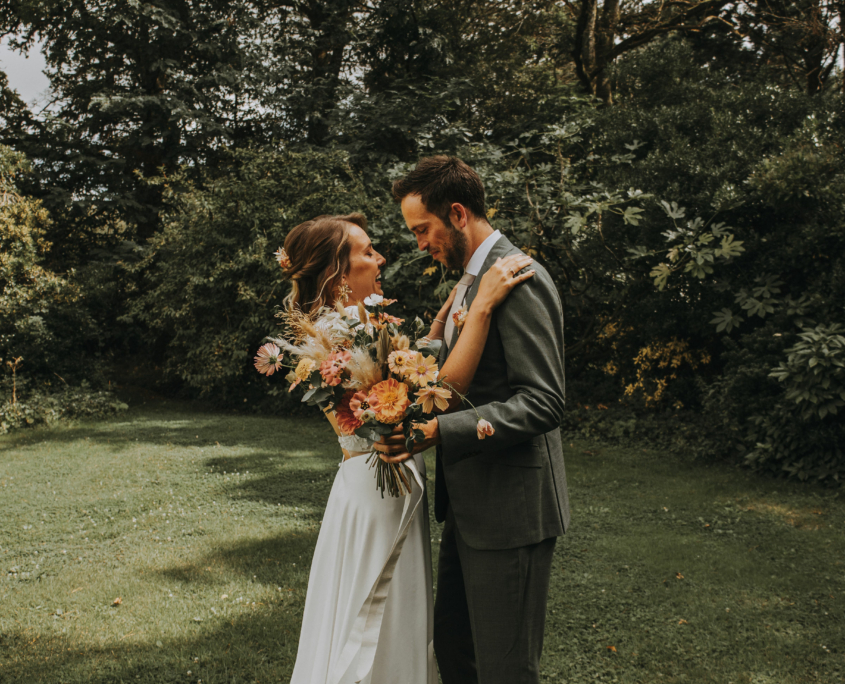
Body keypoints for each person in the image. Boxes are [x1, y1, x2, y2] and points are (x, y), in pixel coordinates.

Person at [283, 212, 535, 684]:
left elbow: (408, 370)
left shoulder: (356, 324)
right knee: (382, 618)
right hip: (378, 497)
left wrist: (443, 318)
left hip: (383, 488)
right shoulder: (336, 336)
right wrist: (480, 308)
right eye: (367, 252)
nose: (380, 258)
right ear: (338, 273)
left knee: (388, 614)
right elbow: (436, 396)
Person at [375, 156, 570, 684]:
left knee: (505, 670)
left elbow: (544, 401)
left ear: (458, 213)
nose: (419, 244)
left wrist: (440, 431)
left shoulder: (519, 278)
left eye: (423, 229)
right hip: (470, 505)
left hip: (511, 510)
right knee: (457, 652)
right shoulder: (471, 281)